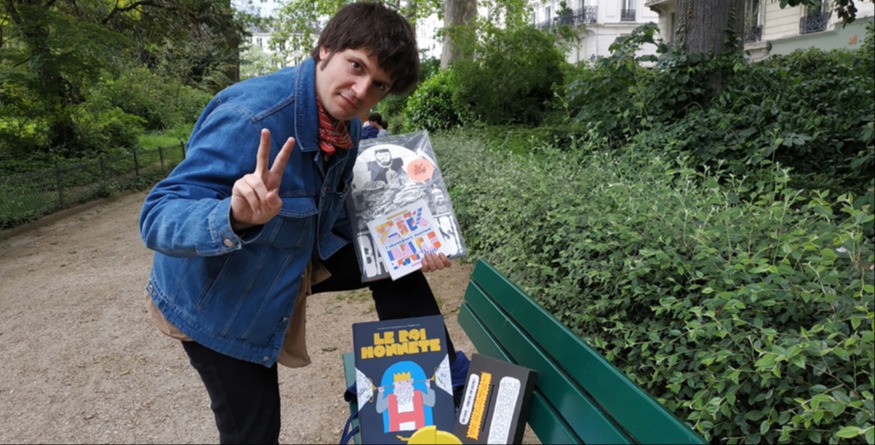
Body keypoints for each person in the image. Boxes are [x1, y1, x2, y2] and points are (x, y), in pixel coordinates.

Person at [138, 3, 469, 443]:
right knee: (255, 432)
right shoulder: (251, 117)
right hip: (217, 300)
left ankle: (446, 385)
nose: (360, 90)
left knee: (397, 266)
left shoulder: (347, 128)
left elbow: (333, 212)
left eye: (378, 85)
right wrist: (234, 216)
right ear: (325, 49)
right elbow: (158, 215)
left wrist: (409, 242)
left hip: (288, 253)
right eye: (356, 66)